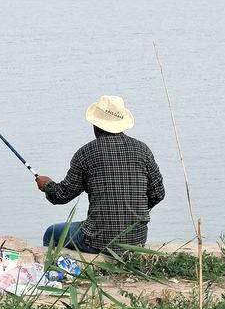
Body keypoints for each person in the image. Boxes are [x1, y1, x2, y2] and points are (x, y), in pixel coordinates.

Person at [34, 95, 164, 252]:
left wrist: (47, 185)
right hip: (136, 240)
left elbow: (61, 196)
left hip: (97, 240)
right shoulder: (143, 150)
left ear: (95, 124)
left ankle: (54, 271)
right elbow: (158, 194)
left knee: (52, 233)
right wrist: (132, 211)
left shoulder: (85, 153)